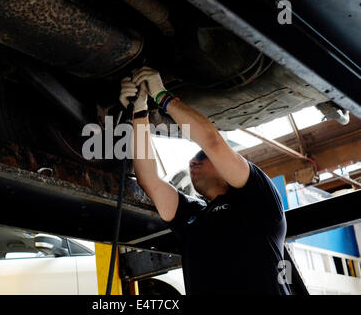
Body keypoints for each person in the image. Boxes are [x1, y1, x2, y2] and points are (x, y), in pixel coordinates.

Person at [119, 67, 291, 295]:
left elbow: (212, 142)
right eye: (193, 158)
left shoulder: (258, 201)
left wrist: (161, 95)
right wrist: (139, 110)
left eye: (201, 156)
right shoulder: (192, 215)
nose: (193, 162)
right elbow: (148, 179)